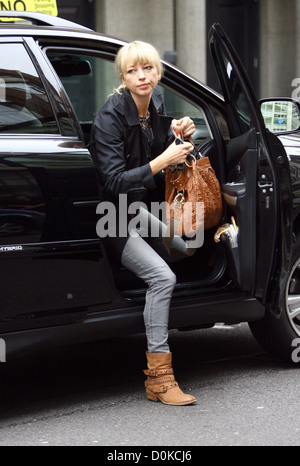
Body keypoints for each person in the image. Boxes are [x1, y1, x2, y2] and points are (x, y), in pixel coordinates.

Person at [89, 40, 197, 406]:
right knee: (163, 277)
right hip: (113, 216)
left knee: (188, 244)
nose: (141, 76)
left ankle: (152, 301)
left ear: (158, 71)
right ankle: (159, 378)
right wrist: (164, 160)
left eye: (147, 68)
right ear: (122, 77)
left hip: (136, 208)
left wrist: (180, 135)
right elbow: (114, 182)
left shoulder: (157, 105)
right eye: (133, 70)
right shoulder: (109, 118)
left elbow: (155, 152)